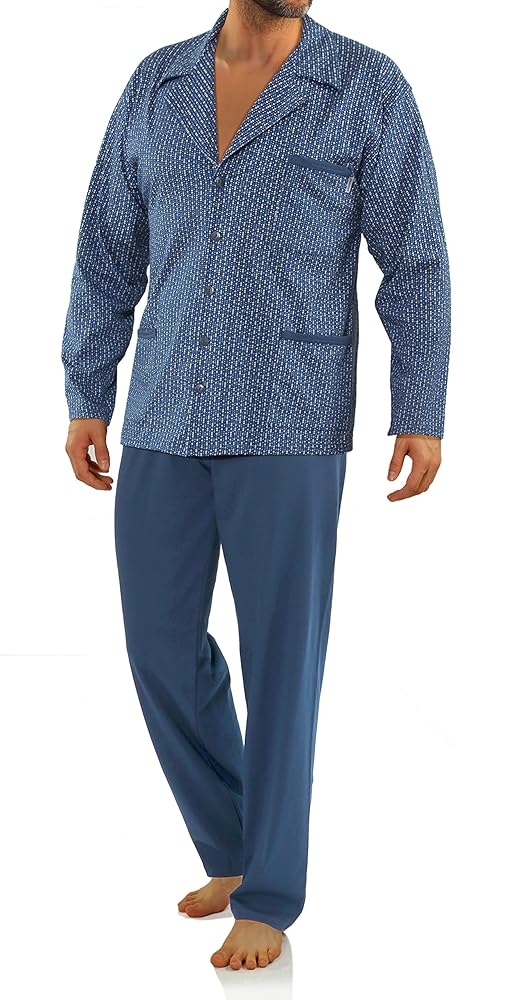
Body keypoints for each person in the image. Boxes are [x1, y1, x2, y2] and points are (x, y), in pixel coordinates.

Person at [61, 0, 451, 973]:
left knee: (283, 664)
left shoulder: (366, 86)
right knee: (158, 646)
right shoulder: (156, 83)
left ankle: (270, 894)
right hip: (164, 411)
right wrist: (87, 390)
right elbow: (107, 246)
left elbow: (415, 260)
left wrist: (420, 407)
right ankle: (234, 847)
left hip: (290, 418)